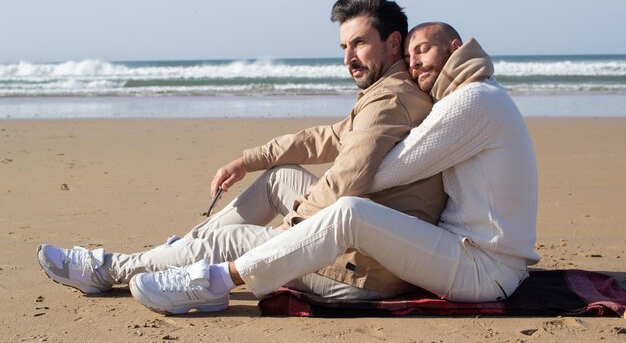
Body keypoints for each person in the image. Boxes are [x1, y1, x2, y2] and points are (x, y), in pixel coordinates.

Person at [37, 0, 446, 305]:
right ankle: (177, 254)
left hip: (363, 272)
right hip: (365, 247)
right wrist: (247, 160)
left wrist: (288, 231)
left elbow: (346, 179)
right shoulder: (386, 94)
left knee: (233, 239)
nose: (348, 58)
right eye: (343, 47)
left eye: (359, 44)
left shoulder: (390, 101)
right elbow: (323, 138)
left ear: (394, 44)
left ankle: (109, 269)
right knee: (280, 178)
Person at [127, 21, 540, 315]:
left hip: (484, 268)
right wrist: (256, 161)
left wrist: (301, 223)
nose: (414, 64)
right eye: (410, 55)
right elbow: (334, 137)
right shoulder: (467, 97)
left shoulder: (471, 102)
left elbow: (386, 172)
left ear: (454, 48)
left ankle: (214, 280)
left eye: (424, 50)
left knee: (350, 210)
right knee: (292, 181)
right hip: (463, 252)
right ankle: (182, 251)